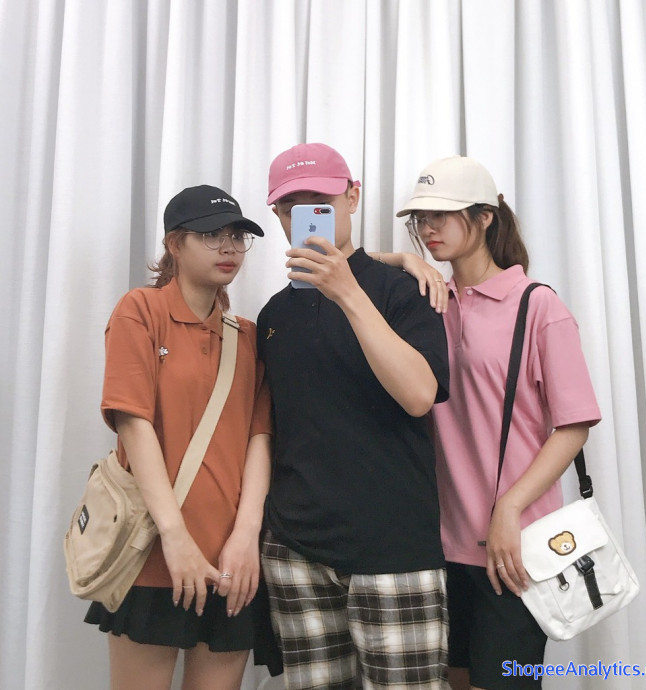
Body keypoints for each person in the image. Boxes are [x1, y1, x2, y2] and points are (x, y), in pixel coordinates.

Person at [388, 156, 602, 689]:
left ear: (485, 217)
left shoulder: (537, 306)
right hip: (437, 543)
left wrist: (509, 507)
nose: (428, 229)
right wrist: (403, 260)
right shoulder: (428, 302)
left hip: (513, 546)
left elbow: (574, 425)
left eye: (443, 214)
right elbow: (352, 265)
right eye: (421, 219)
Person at [257, 143, 451, 689]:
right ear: (277, 216)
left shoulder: (404, 290)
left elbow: (419, 395)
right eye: (290, 206)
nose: (304, 216)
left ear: (352, 197)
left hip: (394, 545)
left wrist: (349, 291)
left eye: (319, 202)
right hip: (295, 549)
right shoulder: (273, 315)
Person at [84, 185, 272, 690]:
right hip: (153, 553)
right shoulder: (141, 311)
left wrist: (246, 536)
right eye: (211, 235)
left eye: (237, 236)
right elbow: (133, 423)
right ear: (174, 243)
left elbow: (260, 439)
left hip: (231, 562)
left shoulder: (248, 336)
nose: (228, 247)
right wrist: (175, 535)